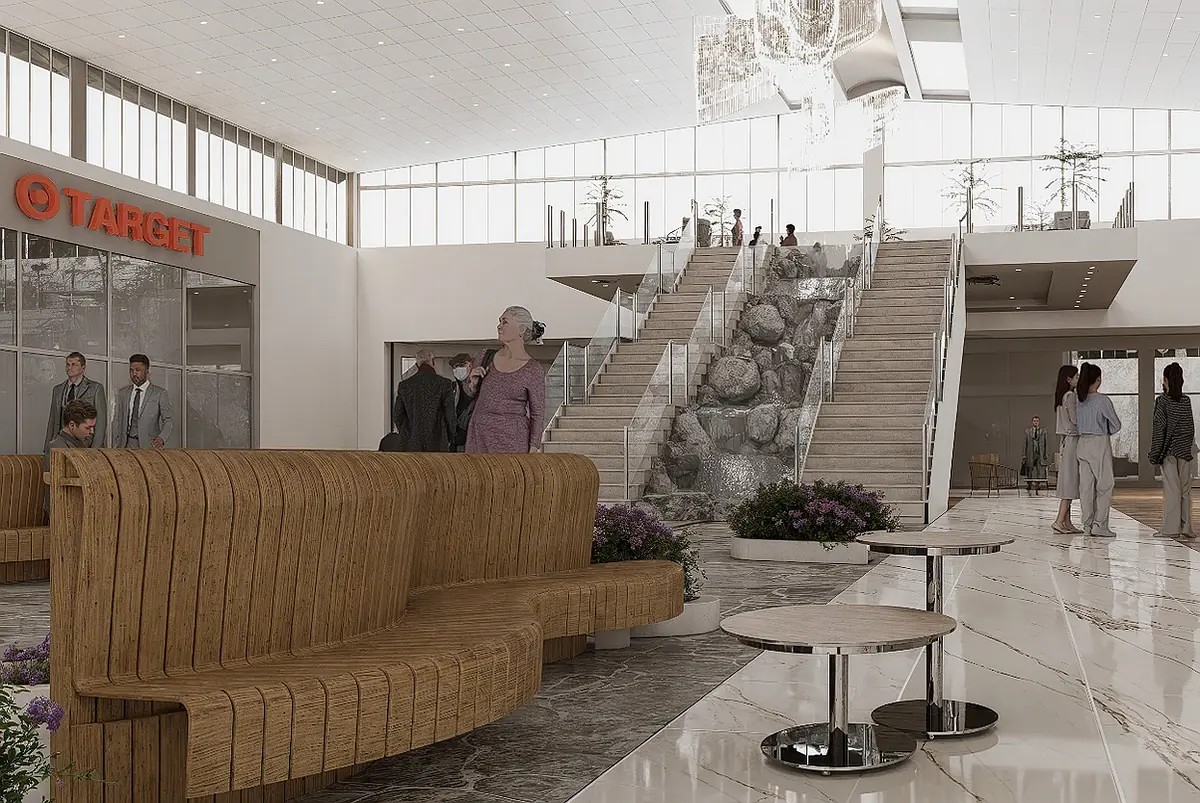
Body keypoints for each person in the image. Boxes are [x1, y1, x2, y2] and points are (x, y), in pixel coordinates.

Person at [464, 306, 547, 454]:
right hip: (479, 436)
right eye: (499, 322)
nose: (499, 326)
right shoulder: (484, 356)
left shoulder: (533, 369)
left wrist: (533, 447)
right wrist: (472, 384)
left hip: (513, 441)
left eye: (505, 322)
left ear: (521, 329)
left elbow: (537, 414)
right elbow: (469, 395)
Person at [1149, 362, 1195, 538]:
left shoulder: (1162, 401)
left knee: (1172, 490)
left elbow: (1159, 429)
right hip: (1185, 450)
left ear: (1165, 380)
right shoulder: (1186, 401)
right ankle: (1186, 527)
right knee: (1184, 490)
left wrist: (1154, 453)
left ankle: (1170, 529)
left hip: (1168, 452)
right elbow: (1189, 428)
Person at [1076, 362, 1121, 538]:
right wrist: (1108, 429)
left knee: (1086, 488)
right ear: (1098, 380)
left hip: (1082, 443)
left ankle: (1087, 526)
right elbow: (1116, 424)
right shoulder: (1102, 401)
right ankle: (1100, 525)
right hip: (1098, 443)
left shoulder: (1079, 400)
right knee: (1105, 485)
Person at [392, 349, 456, 452]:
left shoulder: (405, 386)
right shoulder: (444, 384)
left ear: (417, 365)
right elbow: (450, 415)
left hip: (411, 445)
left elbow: (397, 416)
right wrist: (450, 437)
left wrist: (407, 434)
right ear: (433, 362)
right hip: (437, 444)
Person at [44, 399, 96, 515]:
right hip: (62, 511)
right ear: (72, 425)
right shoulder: (57, 447)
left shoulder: (80, 443)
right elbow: (57, 485)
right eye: (88, 427)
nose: (92, 431)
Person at [45, 351, 106, 449]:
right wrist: (48, 446)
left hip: (86, 444)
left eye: (74, 364)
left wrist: (95, 450)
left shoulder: (95, 388)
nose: (70, 367)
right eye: (68, 364)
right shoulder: (58, 389)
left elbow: (101, 423)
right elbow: (52, 420)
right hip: (62, 442)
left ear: (83, 368)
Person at [111, 354, 174, 449]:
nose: (134, 374)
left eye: (138, 370)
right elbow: (117, 420)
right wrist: (115, 444)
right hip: (126, 445)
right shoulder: (123, 393)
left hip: (150, 445)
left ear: (147, 371)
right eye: (131, 370)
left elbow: (168, 421)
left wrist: (161, 438)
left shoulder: (160, 393)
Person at [1052, 365, 1081, 534]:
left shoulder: (1061, 396)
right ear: (1068, 379)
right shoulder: (1070, 396)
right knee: (1069, 482)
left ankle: (1066, 522)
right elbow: (1075, 420)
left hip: (1065, 441)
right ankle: (1059, 520)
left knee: (1067, 480)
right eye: (1076, 377)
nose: (1078, 379)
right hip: (1072, 440)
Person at [450, 353, 476, 452]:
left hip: (470, 434)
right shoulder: (452, 387)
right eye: (455, 366)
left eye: (461, 365)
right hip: (455, 435)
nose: (457, 369)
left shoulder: (477, 387)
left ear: (470, 365)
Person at [1022, 415, 1049, 496]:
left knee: (1039, 469)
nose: (1035, 422)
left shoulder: (1043, 431)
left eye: (1037, 421)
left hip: (1039, 453)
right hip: (1030, 453)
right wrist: (1024, 455)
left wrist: (1046, 454)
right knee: (1029, 469)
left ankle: (1039, 484)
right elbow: (1025, 444)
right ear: (1032, 422)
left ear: (1039, 422)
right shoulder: (1027, 431)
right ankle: (1029, 484)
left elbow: (1046, 443)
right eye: (1034, 421)